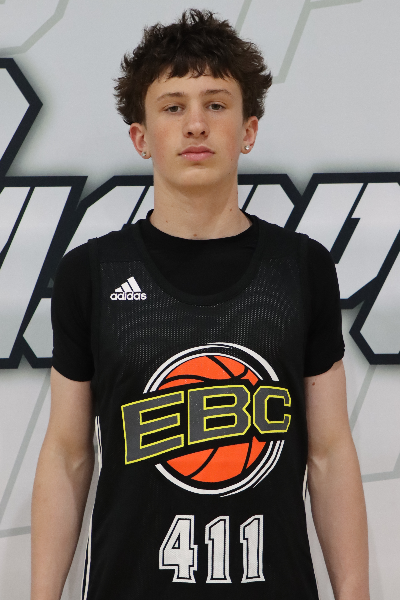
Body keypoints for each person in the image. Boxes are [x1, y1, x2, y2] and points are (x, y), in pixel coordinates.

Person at [31, 9, 369, 600]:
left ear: (248, 130)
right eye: (172, 107)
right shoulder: (92, 271)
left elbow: (330, 452)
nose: (195, 124)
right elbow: (67, 455)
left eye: (216, 104)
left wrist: (356, 593)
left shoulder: (301, 267)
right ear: (141, 137)